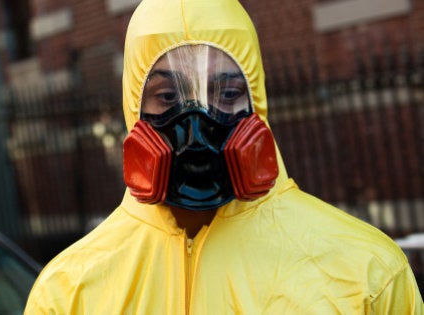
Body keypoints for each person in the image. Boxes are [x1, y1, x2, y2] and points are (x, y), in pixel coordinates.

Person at [25, 0, 424, 313]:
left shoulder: (367, 275)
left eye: (228, 93)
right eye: (168, 97)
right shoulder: (68, 293)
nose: (197, 124)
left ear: (258, 103)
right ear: (134, 109)